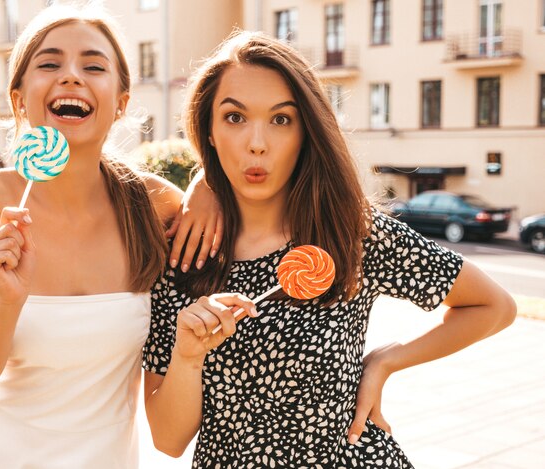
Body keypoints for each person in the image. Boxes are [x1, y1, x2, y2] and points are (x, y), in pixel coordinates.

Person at [142, 31, 517, 468]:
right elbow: (168, 441)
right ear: (207, 129)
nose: (257, 142)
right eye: (234, 117)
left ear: (307, 132)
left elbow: (495, 306)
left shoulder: (350, 233)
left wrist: (386, 360)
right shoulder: (184, 254)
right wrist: (188, 358)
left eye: (281, 120)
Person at [0, 4, 221, 468]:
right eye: (49, 64)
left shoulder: (157, 207)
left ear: (121, 102)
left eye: (93, 66)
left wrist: (209, 185)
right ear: (19, 99)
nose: (71, 76)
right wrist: (8, 303)